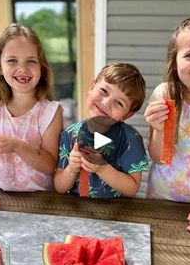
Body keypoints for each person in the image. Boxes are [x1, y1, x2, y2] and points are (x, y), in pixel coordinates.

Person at [144, 14, 190, 237]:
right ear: (174, 60)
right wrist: (159, 129)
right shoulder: (165, 94)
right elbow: (159, 157)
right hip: (160, 200)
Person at [0, 23, 63, 191]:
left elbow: (50, 165)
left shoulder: (50, 112)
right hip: (1, 203)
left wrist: (17, 146)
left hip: (43, 205)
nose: (22, 68)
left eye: (31, 61)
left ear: (41, 67)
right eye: (12, 60)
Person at [54, 62, 149, 198]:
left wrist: (102, 168)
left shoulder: (130, 139)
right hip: (75, 211)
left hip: (116, 212)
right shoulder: (69, 134)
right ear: (92, 86)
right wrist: (72, 168)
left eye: (119, 103)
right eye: (104, 91)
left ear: (127, 115)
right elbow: (60, 187)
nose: (105, 103)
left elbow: (132, 188)